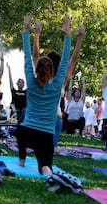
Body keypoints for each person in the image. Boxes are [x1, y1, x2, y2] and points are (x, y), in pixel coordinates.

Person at [17, 14, 71, 176]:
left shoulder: (31, 82)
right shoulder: (57, 86)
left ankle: (21, 159)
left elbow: (28, 57)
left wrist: (27, 31)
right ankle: (48, 174)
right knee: (46, 167)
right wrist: (68, 36)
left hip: (26, 131)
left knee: (21, 129)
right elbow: (65, 61)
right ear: (52, 71)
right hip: (46, 135)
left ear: (37, 69)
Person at [33, 20, 85, 148]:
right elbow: (73, 59)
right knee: (47, 150)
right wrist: (79, 38)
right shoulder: (61, 81)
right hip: (54, 120)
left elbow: (35, 55)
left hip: (39, 119)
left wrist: (37, 34)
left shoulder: (39, 78)